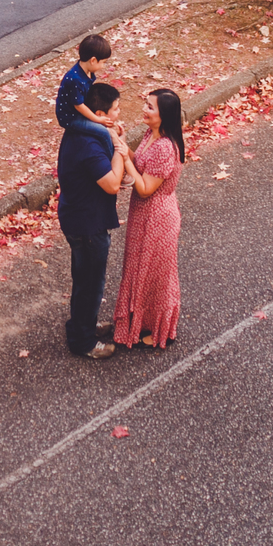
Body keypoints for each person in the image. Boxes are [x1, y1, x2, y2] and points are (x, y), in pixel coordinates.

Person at [113, 86, 185, 350]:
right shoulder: (151, 134)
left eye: (150, 107)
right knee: (138, 268)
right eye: (145, 103)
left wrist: (124, 158)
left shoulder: (165, 147)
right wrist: (124, 144)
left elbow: (144, 188)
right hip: (143, 214)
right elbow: (140, 164)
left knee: (156, 275)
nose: (144, 109)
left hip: (157, 218)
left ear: (164, 115)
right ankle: (140, 321)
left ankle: (160, 331)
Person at [56, 80, 125, 358]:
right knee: (90, 283)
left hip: (80, 216)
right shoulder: (88, 145)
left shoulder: (83, 131)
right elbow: (112, 184)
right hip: (87, 224)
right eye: (116, 109)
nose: (119, 113)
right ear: (100, 114)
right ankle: (83, 342)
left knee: (85, 279)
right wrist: (119, 150)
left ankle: (84, 324)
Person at [55, 32, 114, 131]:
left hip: (79, 109)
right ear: (93, 60)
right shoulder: (75, 80)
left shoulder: (86, 71)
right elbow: (79, 106)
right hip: (71, 117)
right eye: (103, 62)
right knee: (102, 132)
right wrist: (98, 120)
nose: (103, 66)